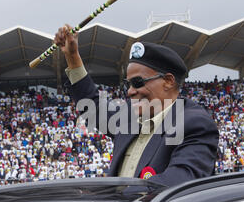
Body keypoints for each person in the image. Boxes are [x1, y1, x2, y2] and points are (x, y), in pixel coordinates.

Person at [54, 25, 219, 187]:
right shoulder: (129, 117)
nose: (131, 92)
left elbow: (178, 184)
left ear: (168, 81)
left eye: (138, 83)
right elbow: (93, 107)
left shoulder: (194, 124)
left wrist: (112, 197)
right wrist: (72, 56)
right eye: (128, 85)